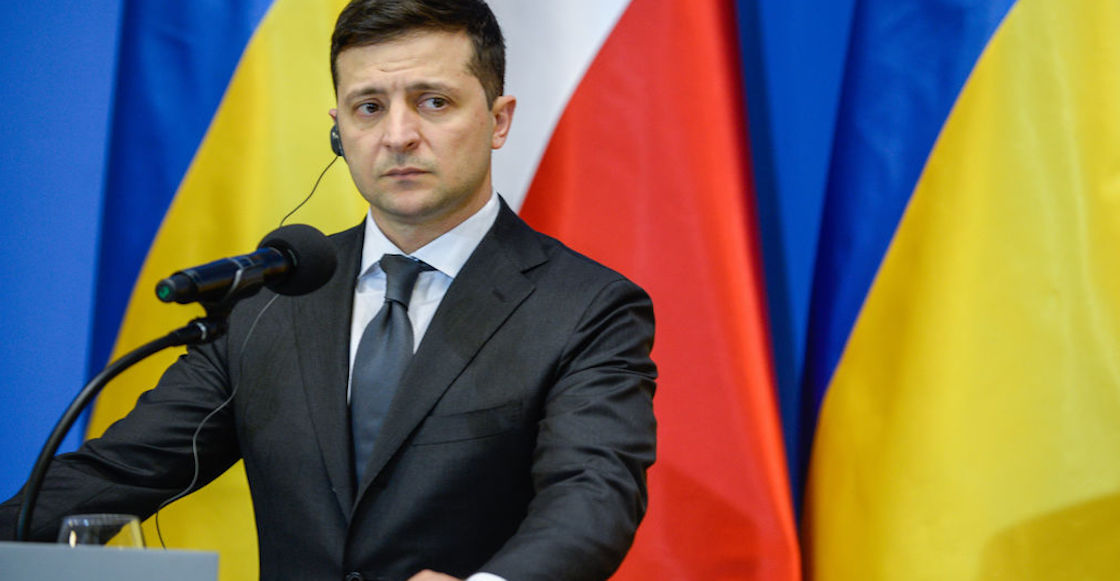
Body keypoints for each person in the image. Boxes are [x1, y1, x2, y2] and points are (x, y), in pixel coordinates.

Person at [0, 1, 657, 580]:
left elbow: (593, 494)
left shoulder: (585, 308)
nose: (398, 135)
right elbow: (115, 474)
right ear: (339, 128)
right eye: (370, 107)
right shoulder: (269, 295)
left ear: (498, 120)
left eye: (433, 102)